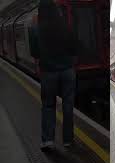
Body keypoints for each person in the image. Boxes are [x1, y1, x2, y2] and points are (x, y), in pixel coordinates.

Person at [30, 0, 77, 151]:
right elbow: (73, 48)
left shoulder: (36, 29)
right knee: (68, 105)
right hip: (67, 71)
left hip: (49, 72)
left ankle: (48, 140)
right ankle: (68, 140)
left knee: (48, 105)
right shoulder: (65, 27)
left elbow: (34, 53)